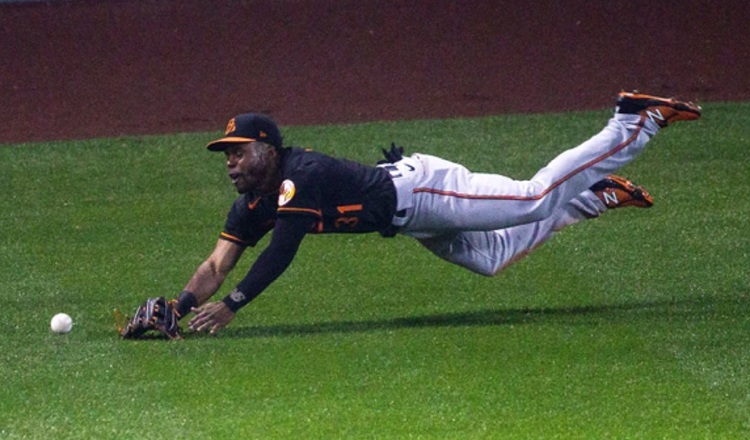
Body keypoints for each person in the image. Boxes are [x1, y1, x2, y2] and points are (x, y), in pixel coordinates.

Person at [164, 91, 700, 335]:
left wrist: (233, 306)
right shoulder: (250, 204)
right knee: (491, 260)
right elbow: (216, 265)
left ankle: (633, 122)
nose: (230, 160)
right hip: (411, 220)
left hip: (426, 190)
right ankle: (590, 197)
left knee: (531, 197)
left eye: (238, 149)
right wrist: (179, 306)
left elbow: (282, 250)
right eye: (226, 153)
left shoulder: (300, 173)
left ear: (268, 147)